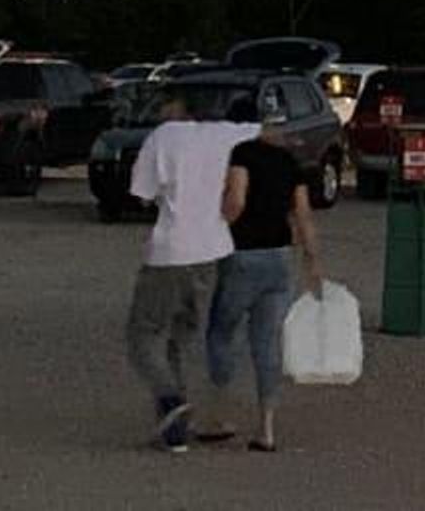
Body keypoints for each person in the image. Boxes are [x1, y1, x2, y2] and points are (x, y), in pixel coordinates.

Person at [125, 92, 260, 452]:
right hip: (211, 249)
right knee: (182, 336)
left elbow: (141, 193)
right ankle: (173, 430)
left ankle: (170, 399)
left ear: (175, 110)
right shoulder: (222, 134)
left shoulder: (163, 137)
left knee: (143, 333)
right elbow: (267, 131)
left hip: (170, 251)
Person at [200, 103, 324, 452]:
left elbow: (236, 200)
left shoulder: (242, 153)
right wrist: (313, 261)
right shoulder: (290, 164)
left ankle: (219, 413)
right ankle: (266, 427)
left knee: (221, 332)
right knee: (267, 343)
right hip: (279, 258)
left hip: (243, 255)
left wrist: (214, 227)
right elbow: (303, 215)